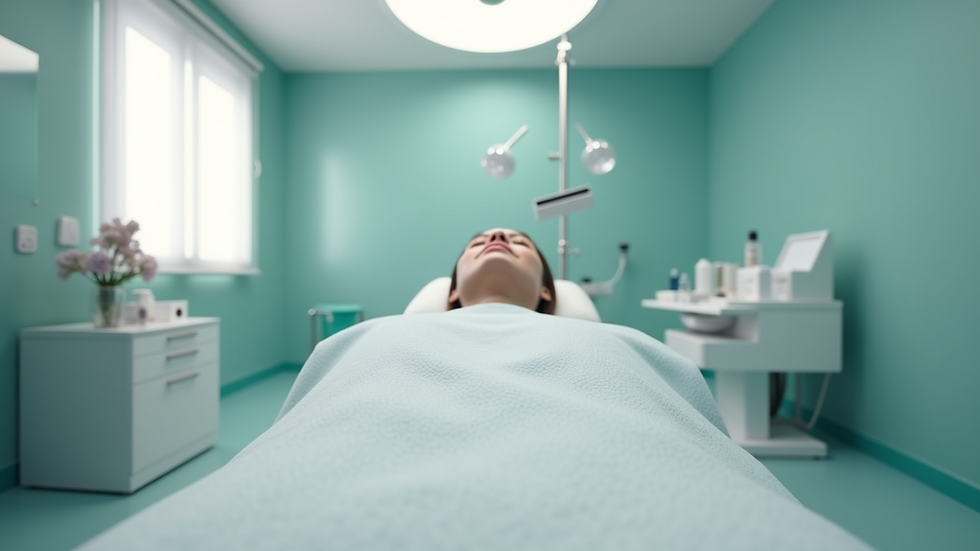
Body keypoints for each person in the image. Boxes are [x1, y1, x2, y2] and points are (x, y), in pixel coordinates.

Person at [448, 228, 556, 314]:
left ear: (545, 290)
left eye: (519, 242)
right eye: (478, 243)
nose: (498, 235)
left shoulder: (571, 331)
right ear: (454, 292)